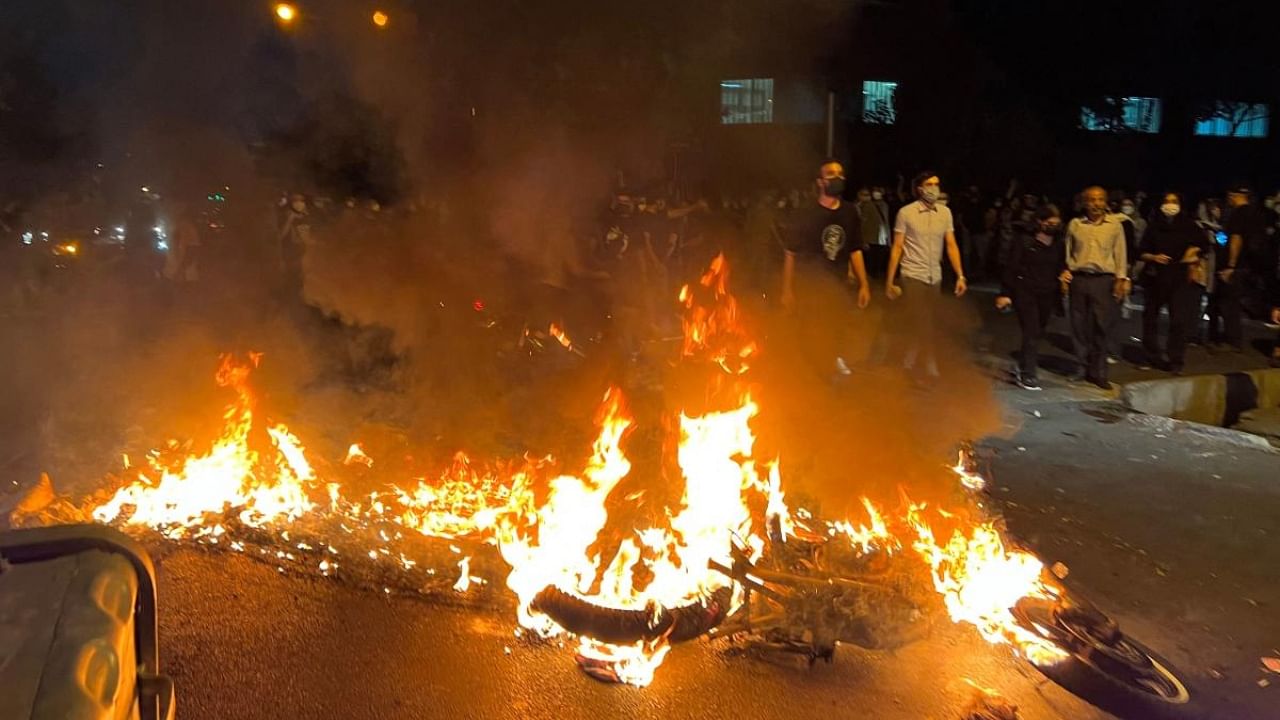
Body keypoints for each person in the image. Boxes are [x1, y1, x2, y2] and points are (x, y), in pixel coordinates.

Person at [779, 159, 871, 377]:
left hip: (838, 283)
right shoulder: (805, 213)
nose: (837, 178)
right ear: (820, 182)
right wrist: (787, 290)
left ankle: (829, 369)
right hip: (810, 284)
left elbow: (855, 250)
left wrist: (864, 284)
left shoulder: (850, 212)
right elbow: (790, 253)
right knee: (812, 331)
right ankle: (810, 374)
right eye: (830, 174)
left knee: (836, 326)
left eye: (840, 173)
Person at [885, 171, 967, 385]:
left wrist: (960, 275)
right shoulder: (906, 213)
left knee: (928, 321)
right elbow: (897, 247)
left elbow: (951, 244)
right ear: (919, 189)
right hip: (912, 274)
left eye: (936, 184)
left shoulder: (945, 213)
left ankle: (909, 362)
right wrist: (889, 280)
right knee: (921, 321)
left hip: (934, 276)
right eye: (929, 184)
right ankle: (924, 365)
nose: (933, 188)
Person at [1060, 185, 1129, 390]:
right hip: (1079, 279)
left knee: (1101, 325)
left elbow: (1120, 253)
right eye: (1091, 200)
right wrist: (1065, 274)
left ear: (1106, 202)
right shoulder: (1075, 224)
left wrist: (1121, 279)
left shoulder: (1114, 225)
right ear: (1084, 202)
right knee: (1079, 325)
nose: (1096, 204)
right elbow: (1067, 251)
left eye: (1100, 200)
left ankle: (1099, 372)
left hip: (1103, 280)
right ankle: (1081, 368)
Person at [1136, 193, 1209, 374]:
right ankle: (1151, 356)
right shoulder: (1154, 227)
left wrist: (1192, 254)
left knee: (1179, 321)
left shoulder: (1190, 226)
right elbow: (1141, 252)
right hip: (1156, 277)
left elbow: (1204, 246)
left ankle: (1176, 360)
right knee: (1150, 318)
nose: (1170, 205)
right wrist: (1154, 257)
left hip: (1181, 278)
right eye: (1166, 202)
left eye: (1174, 202)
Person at [995, 205, 1065, 390]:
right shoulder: (1025, 241)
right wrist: (1005, 294)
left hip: (1047, 292)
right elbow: (1011, 267)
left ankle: (1024, 365)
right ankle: (1028, 374)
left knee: (1038, 331)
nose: (1053, 227)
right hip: (1025, 292)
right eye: (1050, 223)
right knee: (1031, 331)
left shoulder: (1058, 242)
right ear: (1040, 222)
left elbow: (1060, 264)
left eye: (1057, 224)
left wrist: (1064, 274)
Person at [1210, 185, 1267, 353]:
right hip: (1251, 264)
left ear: (1234, 195)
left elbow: (1235, 239)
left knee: (1229, 303)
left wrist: (1231, 266)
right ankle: (1233, 338)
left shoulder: (1238, 214)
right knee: (1234, 301)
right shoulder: (1258, 214)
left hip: (1237, 265)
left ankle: (1233, 341)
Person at [856, 187, 891, 277]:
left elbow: (885, 222)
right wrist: (864, 240)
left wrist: (888, 239)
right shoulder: (865, 206)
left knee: (876, 266)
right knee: (871, 266)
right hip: (872, 239)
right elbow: (862, 224)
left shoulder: (883, 205)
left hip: (880, 239)